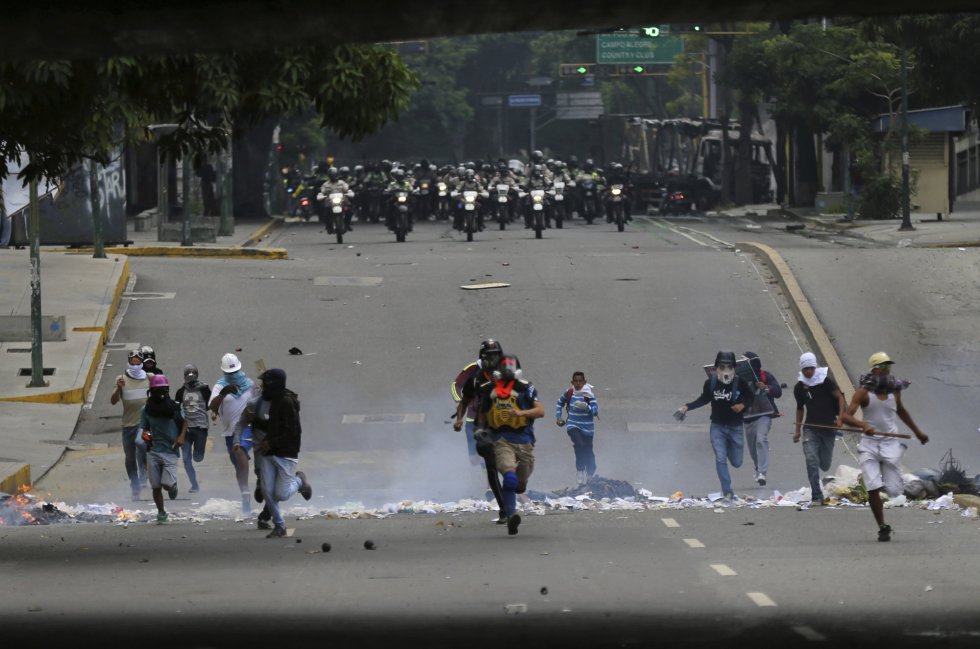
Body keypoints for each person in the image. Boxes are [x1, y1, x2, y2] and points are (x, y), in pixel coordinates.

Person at [841, 352, 929, 541]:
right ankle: (882, 526)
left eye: (889, 367)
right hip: (869, 446)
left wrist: (918, 432)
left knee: (895, 491)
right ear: (874, 370)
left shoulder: (894, 390)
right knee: (873, 486)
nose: (887, 371)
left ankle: (888, 497)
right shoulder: (863, 392)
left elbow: (902, 411)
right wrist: (863, 425)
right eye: (883, 367)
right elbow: (846, 416)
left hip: (890, 445)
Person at [234, 369, 312, 538]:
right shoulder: (258, 403)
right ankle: (279, 525)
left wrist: (271, 442)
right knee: (266, 490)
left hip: (285, 453)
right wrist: (243, 434)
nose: (262, 387)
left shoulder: (286, 402)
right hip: (266, 453)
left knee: (281, 494)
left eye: (265, 383)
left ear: (273, 384)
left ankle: (299, 481)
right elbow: (246, 423)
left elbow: (293, 431)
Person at [475, 354, 544, 535]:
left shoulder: (526, 388)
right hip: (501, 439)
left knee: (520, 484)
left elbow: (540, 410)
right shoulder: (490, 390)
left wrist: (522, 413)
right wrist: (480, 429)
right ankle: (511, 515)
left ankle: (516, 493)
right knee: (509, 477)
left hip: (525, 441)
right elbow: (482, 413)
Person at [674, 351, 750, 502]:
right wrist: (687, 407)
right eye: (722, 366)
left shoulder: (740, 382)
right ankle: (727, 492)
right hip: (718, 427)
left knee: (737, 462)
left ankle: (728, 447)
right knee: (720, 458)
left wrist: (742, 405)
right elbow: (703, 399)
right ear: (716, 367)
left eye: (729, 366)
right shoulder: (711, 383)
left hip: (735, 427)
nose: (726, 370)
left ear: (734, 367)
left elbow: (751, 396)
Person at [452, 339, 507, 523]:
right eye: (490, 356)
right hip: (481, 426)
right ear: (483, 358)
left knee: (510, 465)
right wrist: (459, 418)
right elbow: (463, 399)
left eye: (496, 355)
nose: (494, 359)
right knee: (487, 463)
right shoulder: (474, 377)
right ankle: (504, 508)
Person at [793, 352, 847, 506]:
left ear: (815, 367)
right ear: (802, 370)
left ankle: (820, 485)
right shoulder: (799, 388)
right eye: (805, 369)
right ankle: (817, 496)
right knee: (811, 460)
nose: (809, 372)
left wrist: (841, 417)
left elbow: (840, 397)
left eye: (811, 368)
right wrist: (798, 430)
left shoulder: (825, 382)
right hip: (811, 429)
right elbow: (799, 409)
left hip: (828, 428)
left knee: (824, 464)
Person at [208, 352, 259, 514]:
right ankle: (245, 492)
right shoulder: (220, 385)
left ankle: (252, 491)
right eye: (230, 373)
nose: (234, 375)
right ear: (224, 372)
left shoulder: (249, 384)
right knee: (238, 466)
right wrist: (223, 394)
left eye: (235, 372)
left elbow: (260, 401)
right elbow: (212, 407)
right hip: (230, 431)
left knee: (240, 451)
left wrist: (261, 391)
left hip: (247, 427)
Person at [139, 374, 184, 524]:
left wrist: (181, 437)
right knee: (156, 486)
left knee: (166, 484)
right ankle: (161, 512)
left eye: (162, 390)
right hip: (153, 451)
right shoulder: (146, 409)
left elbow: (185, 422)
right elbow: (145, 429)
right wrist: (148, 440)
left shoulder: (174, 407)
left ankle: (172, 487)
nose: (159, 394)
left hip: (170, 450)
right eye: (156, 390)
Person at [110, 348, 151, 500]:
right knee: (129, 459)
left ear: (142, 363)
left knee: (144, 447)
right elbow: (113, 401)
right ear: (128, 363)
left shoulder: (149, 378)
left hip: (144, 425)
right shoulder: (121, 379)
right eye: (132, 363)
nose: (135, 365)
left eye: (138, 363)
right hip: (128, 425)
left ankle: (149, 474)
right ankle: (135, 486)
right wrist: (119, 388)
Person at [742, 352, 782, 486]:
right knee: (753, 448)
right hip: (747, 417)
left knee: (761, 439)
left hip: (764, 414)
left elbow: (778, 391)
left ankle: (762, 473)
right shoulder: (738, 378)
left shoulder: (766, 375)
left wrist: (766, 388)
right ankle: (757, 468)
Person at [555, 371, 600, 485]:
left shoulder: (588, 395)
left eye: (581, 381)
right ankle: (580, 471)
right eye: (576, 381)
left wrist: (587, 407)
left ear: (585, 382)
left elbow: (595, 412)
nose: (578, 383)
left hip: (588, 429)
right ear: (572, 382)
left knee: (588, 451)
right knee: (579, 444)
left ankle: (590, 474)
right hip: (573, 425)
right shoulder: (569, 392)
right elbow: (559, 403)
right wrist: (559, 417)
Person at [175, 364, 211, 494]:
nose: (191, 376)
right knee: (186, 458)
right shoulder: (180, 392)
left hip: (201, 426)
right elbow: (176, 410)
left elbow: (209, 404)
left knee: (198, 457)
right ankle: (194, 484)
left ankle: (198, 455)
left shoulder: (204, 389)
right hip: (186, 429)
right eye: (188, 374)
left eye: (193, 373)